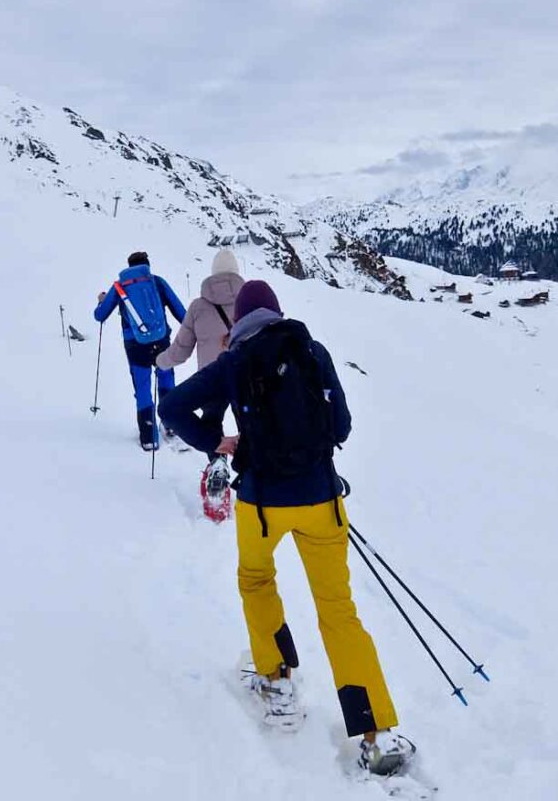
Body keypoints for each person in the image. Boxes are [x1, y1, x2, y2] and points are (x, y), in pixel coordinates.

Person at [157, 279, 412, 776]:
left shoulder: (234, 361)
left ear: (244, 318)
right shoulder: (311, 350)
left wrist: (218, 441)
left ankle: (276, 680)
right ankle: (377, 733)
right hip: (321, 499)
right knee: (339, 610)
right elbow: (340, 427)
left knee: (256, 581)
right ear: (276, 312)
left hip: (261, 504)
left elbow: (172, 407)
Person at [156, 249, 244, 489]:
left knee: (211, 421)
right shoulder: (248, 302)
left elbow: (181, 351)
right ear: (237, 272)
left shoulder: (198, 307)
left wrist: (160, 361)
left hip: (211, 379)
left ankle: (218, 461)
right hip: (245, 377)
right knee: (249, 421)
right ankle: (255, 470)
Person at [94, 251, 186, 451]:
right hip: (161, 341)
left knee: (143, 387)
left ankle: (148, 436)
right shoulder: (157, 282)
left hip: (135, 345)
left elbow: (100, 316)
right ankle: (171, 425)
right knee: (166, 379)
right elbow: (181, 312)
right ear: (147, 266)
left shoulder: (119, 287)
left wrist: (102, 301)